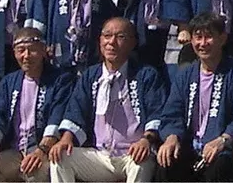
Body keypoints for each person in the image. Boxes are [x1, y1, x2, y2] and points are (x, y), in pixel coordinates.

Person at [49, 18, 169, 183]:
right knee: (60, 156)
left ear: (133, 42)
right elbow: (76, 111)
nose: (111, 42)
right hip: (100, 156)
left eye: (120, 37)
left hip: (132, 155)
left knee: (142, 163)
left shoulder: (146, 75)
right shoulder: (91, 76)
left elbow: (158, 113)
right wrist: (66, 138)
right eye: (107, 35)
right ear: (100, 40)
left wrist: (146, 140)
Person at [154, 13, 233, 183]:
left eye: (209, 37)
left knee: (221, 164)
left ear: (222, 38)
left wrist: (223, 140)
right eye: (198, 37)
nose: (202, 43)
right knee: (166, 159)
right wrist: (172, 137)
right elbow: (172, 114)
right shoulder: (185, 75)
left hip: (220, 148)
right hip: (189, 146)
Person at [0, 29, 74, 183]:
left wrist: (41, 151)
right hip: (15, 152)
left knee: (37, 171)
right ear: (14, 53)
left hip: (44, 151)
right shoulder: (8, 82)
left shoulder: (60, 80)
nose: (26, 56)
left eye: (32, 50)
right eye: (21, 51)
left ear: (43, 50)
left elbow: (58, 115)